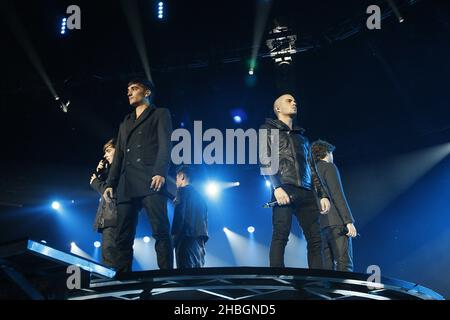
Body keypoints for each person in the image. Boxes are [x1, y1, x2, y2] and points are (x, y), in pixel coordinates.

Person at [103, 78, 173, 272]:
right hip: (126, 183)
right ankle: (123, 278)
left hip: (151, 179)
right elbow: (119, 157)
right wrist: (111, 183)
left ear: (147, 92)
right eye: (128, 89)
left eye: (134, 89)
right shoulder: (125, 121)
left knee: (160, 230)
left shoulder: (160, 113)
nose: (129, 92)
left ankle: (166, 275)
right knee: (122, 236)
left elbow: (165, 145)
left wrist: (160, 172)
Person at [260, 93, 331, 269]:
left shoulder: (303, 138)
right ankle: (277, 279)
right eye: (289, 101)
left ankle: (317, 283)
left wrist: (322, 194)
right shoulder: (268, 130)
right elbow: (265, 159)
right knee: (281, 235)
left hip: (306, 192)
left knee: (315, 240)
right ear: (277, 108)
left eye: (294, 100)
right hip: (284, 187)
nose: (294, 102)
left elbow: (312, 168)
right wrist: (276, 187)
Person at [311, 139, 356, 272]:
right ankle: (345, 293)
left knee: (326, 268)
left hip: (320, 226)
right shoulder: (328, 167)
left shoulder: (310, 173)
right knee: (344, 264)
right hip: (336, 223)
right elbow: (337, 195)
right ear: (327, 153)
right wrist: (348, 221)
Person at [171, 166, 208, 268]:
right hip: (200, 244)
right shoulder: (202, 198)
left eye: (176, 179)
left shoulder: (181, 191)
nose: (176, 182)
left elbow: (179, 216)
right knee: (198, 279)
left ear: (182, 176)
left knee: (185, 278)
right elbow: (205, 221)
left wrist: (174, 239)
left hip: (185, 240)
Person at [89, 138, 118, 268]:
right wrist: (100, 174)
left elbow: (111, 193)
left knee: (110, 253)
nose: (105, 155)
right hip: (109, 216)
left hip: (114, 217)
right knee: (108, 253)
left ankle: (114, 284)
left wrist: (95, 182)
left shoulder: (119, 169)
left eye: (108, 151)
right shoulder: (110, 171)